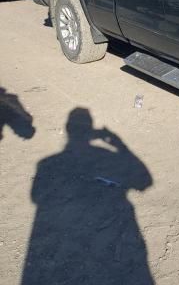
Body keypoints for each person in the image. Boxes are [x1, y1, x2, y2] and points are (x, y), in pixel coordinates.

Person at [22, 108, 154, 284]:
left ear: (68, 129)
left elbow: (35, 196)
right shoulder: (106, 155)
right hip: (109, 227)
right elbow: (145, 181)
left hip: (64, 233)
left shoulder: (46, 163)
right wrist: (119, 144)